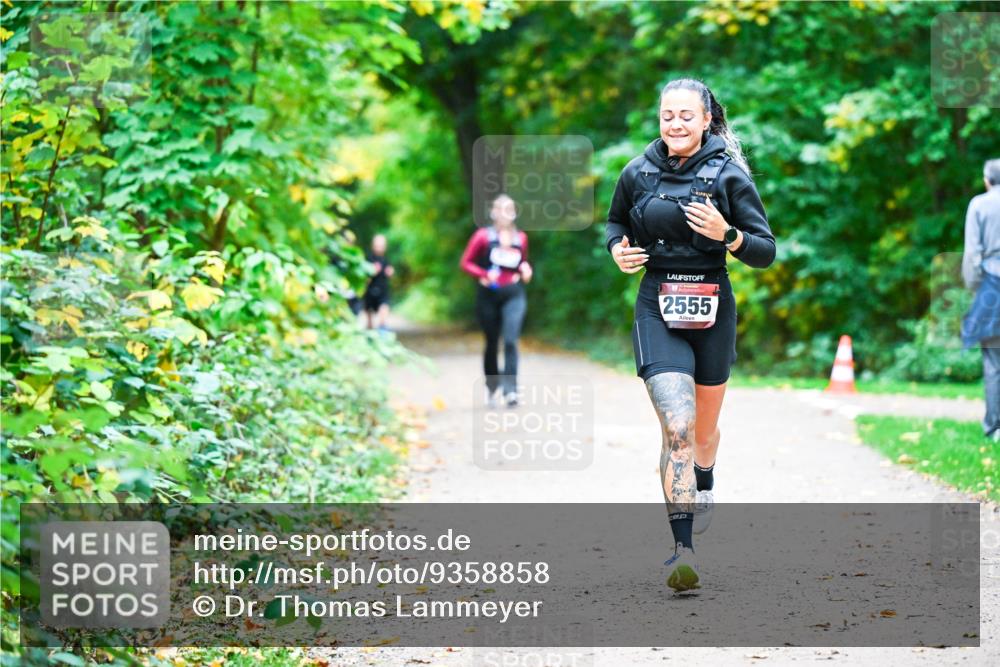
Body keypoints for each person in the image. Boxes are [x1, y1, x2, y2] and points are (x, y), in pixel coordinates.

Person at [605, 78, 775, 592]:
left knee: (702, 433)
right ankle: (683, 551)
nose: (674, 124)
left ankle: (706, 475)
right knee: (677, 424)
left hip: (712, 306)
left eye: (685, 116)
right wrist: (618, 250)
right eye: (666, 116)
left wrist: (727, 234)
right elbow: (615, 225)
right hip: (657, 304)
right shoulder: (637, 171)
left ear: (706, 120)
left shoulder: (729, 176)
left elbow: (765, 250)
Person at [460, 194, 533, 408]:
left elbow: (523, 263)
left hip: (513, 294)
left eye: (509, 209)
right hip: (488, 296)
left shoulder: (521, 238)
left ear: (514, 213)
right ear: (493, 213)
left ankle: (510, 391)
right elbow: (466, 263)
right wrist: (482, 274)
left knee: (511, 340)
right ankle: (492, 388)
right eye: (500, 209)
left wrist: (525, 270)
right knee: (491, 342)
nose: (504, 213)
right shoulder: (483, 236)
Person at [961, 158, 1000, 442]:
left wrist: (973, 285)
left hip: (992, 284)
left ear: (987, 180)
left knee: (993, 360)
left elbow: (973, 252)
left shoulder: (979, 204)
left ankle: (995, 427)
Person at [363, 234, 394, 331]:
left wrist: (390, 272)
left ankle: (382, 329)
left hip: (382, 289)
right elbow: (363, 276)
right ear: (373, 246)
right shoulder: (368, 259)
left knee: (384, 308)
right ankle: (370, 332)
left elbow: (389, 271)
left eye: (381, 246)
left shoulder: (386, 260)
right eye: (377, 246)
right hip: (370, 290)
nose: (379, 248)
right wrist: (371, 271)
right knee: (369, 314)